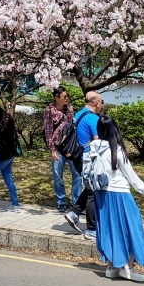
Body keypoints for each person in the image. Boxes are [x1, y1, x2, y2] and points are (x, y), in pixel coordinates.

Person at [90, 115, 144, 282]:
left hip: (101, 193)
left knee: (109, 229)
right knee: (132, 228)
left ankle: (112, 266)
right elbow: (130, 175)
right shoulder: (117, 149)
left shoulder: (93, 146)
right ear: (114, 129)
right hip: (120, 193)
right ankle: (128, 268)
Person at [65, 90, 103, 240]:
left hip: (77, 157)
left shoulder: (79, 114)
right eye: (101, 101)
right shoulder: (93, 118)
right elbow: (98, 140)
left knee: (89, 189)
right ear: (97, 103)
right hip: (88, 158)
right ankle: (91, 230)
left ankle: (74, 213)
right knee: (93, 192)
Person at [44, 86, 83, 212]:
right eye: (64, 97)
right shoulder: (49, 110)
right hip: (57, 147)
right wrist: (52, 149)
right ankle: (61, 201)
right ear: (56, 98)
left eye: (67, 96)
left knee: (77, 174)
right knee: (57, 175)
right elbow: (48, 131)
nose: (67, 99)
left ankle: (76, 201)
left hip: (70, 147)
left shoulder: (69, 109)